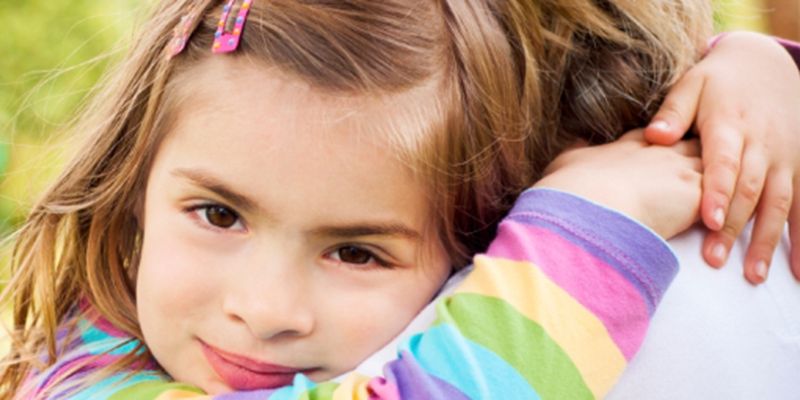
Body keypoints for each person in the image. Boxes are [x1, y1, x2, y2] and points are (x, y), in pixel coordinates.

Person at [0, 1, 795, 399]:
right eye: (218, 213)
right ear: (136, 181)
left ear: (476, 241)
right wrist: (587, 226)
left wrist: (751, 69)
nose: (265, 308)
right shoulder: (82, 376)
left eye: (355, 250)